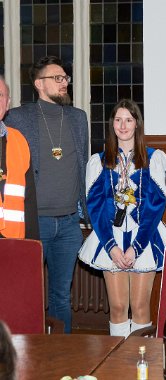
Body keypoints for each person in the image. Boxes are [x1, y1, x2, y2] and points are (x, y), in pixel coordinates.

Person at [4, 56, 89, 333]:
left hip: (68, 225)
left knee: (61, 296)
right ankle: (26, 356)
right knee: (25, 294)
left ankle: (60, 356)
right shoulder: (18, 117)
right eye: (57, 78)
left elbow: (82, 165)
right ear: (39, 84)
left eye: (66, 78)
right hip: (31, 224)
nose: (64, 83)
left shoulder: (78, 118)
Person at [79, 99, 166, 338]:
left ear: (137, 124)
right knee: (119, 306)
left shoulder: (154, 158)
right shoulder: (99, 161)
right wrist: (111, 248)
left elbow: (155, 207)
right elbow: (96, 207)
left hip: (145, 237)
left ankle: (140, 364)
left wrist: (136, 247)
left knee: (141, 306)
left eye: (129, 120)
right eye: (118, 119)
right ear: (112, 124)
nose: (123, 125)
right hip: (109, 238)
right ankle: (118, 364)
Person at [0, 76, 39, 239]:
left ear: (7, 103)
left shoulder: (18, 140)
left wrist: (33, 246)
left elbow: (29, 200)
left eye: (0, 95)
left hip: (13, 241)